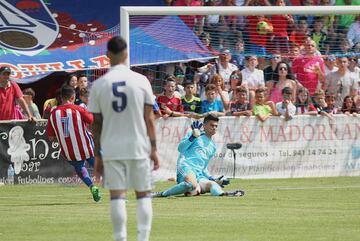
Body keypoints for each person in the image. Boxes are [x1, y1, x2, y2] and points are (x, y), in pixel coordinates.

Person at [88, 36, 160, 241]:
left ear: (107, 56)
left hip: (112, 148)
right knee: (143, 194)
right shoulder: (141, 80)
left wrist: (97, 155)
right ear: (127, 54)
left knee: (117, 196)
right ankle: (143, 238)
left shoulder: (99, 85)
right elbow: (150, 119)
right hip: (138, 146)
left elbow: (96, 124)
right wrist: (154, 149)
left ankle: (120, 238)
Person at [152, 115, 244, 198]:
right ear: (204, 125)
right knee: (191, 185)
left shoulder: (213, 146)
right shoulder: (195, 134)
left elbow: (203, 167)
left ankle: (224, 194)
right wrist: (192, 137)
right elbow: (180, 148)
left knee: (212, 185)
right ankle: (162, 194)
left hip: (198, 174)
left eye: (216, 126)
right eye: (212, 125)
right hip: (186, 167)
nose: (214, 128)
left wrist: (212, 178)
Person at [47, 86, 101, 202]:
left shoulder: (53, 114)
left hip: (69, 151)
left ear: (61, 97)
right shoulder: (79, 109)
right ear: (73, 97)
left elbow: (51, 137)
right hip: (86, 146)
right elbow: (91, 120)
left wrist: (62, 137)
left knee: (79, 168)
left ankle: (92, 186)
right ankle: (118, 194)